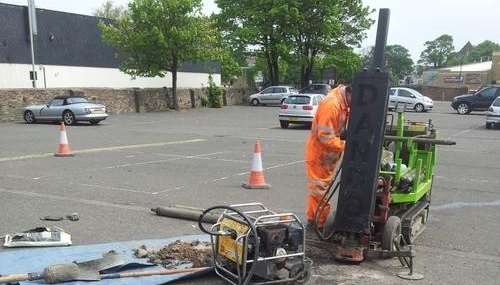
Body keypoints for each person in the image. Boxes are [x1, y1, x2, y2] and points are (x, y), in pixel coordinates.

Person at [305, 84, 352, 230]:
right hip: (320, 156)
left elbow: (338, 128)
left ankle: (315, 221)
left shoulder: (343, 101)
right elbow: (325, 136)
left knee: (321, 191)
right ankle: (317, 225)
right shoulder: (332, 105)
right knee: (320, 193)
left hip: (328, 157)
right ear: (350, 94)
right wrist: (347, 145)